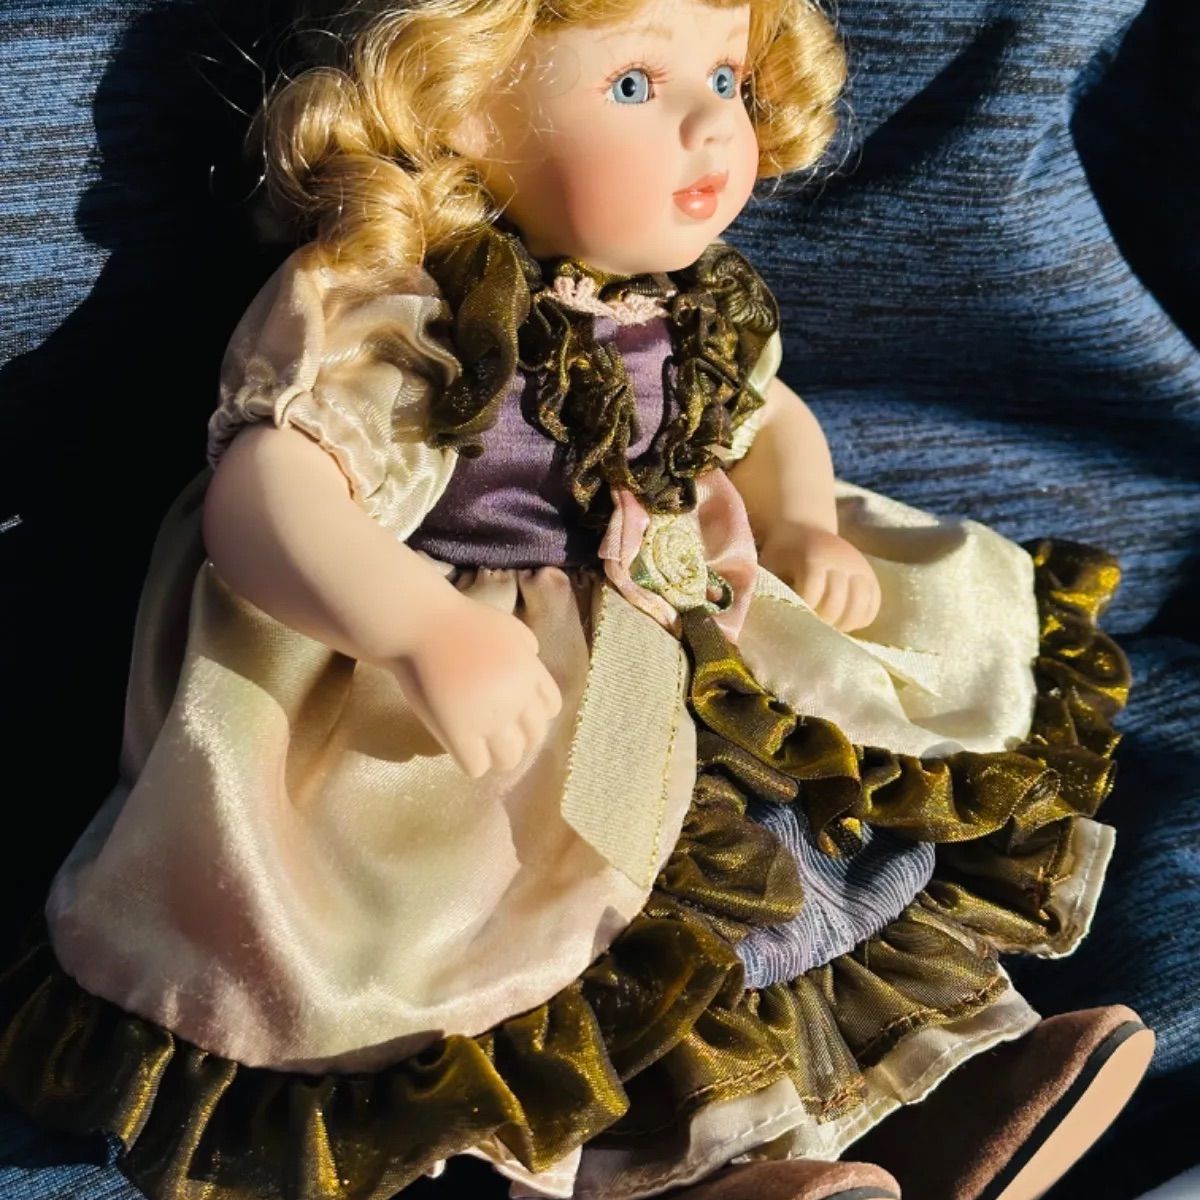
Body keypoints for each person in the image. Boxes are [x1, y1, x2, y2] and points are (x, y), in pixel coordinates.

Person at [0, 0, 1154, 1197]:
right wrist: (419, 627)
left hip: (689, 633)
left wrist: (804, 518)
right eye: (635, 87)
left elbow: (767, 417)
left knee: (802, 837)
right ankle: (692, 1170)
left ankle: (936, 1086)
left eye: (728, 79)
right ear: (459, 102)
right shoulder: (400, 313)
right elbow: (265, 490)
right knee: (579, 925)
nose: (713, 127)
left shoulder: (687, 299)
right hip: (488, 683)